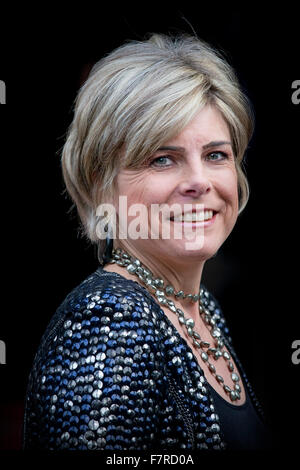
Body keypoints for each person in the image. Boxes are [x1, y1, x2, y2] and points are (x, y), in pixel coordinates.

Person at [23, 33, 271, 451]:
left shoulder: (200, 306)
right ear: (101, 184)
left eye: (215, 155)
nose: (199, 181)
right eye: (162, 159)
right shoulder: (109, 321)